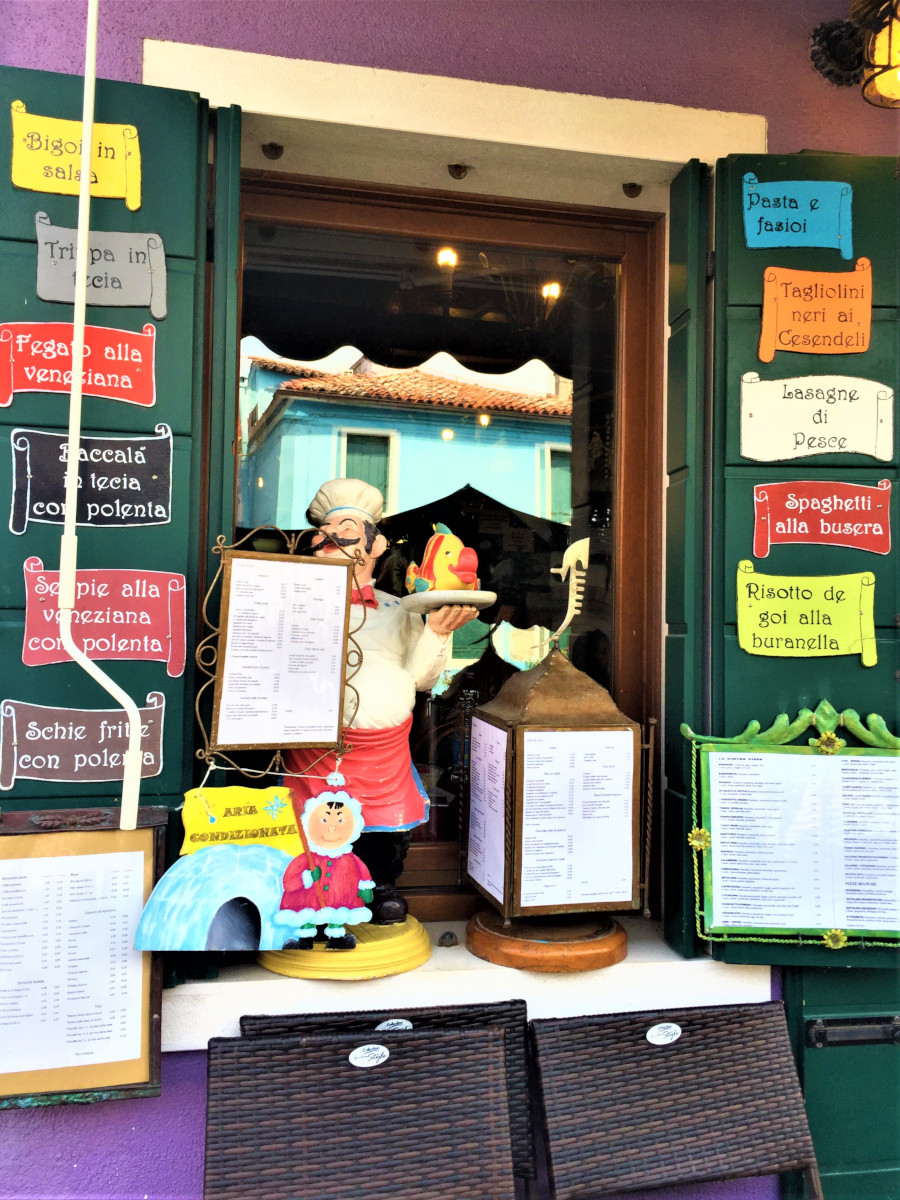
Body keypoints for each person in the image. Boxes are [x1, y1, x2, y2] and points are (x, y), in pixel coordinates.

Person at [283, 479, 476, 912]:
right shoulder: (293, 603)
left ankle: (380, 889)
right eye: (322, 530)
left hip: (383, 750)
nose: (329, 536)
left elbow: (423, 678)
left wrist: (438, 632)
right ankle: (317, 895)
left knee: (384, 826)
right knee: (315, 822)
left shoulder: (399, 609)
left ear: (377, 545)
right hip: (314, 749)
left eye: (346, 526)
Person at [275, 791, 375, 951]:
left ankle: (336, 939)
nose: (332, 827)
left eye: (341, 820)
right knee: (307, 914)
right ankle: (305, 940)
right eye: (324, 820)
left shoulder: (351, 858)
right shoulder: (305, 859)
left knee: (337, 914)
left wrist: (365, 888)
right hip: (309, 900)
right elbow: (289, 881)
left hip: (340, 900)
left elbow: (363, 873)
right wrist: (306, 877)